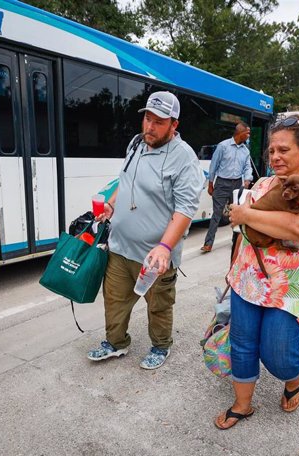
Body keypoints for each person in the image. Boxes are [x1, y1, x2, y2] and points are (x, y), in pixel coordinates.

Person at [214, 113, 299, 430]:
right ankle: (242, 405)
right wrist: (232, 273)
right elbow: (243, 232)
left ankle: (294, 380)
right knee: (241, 346)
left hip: (289, 290)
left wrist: (246, 214)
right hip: (247, 282)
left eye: (284, 150)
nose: (275, 157)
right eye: (271, 151)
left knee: (277, 355)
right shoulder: (263, 184)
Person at [87, 91, 204, 370]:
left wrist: (164, 248)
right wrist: (111, 206)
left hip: (155, 256)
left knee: (158, 305)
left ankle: (161, 345)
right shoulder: (137, 144)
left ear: (174, 124)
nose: (150, 127)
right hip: (119, 246)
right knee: (114, 300)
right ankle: (116, 342)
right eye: (147, 119)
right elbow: (125, 181)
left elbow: (185, 209)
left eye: (159, 122)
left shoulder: (184, 158)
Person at [201, 123, 252, 253]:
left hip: (237, 185)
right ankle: (208, 244)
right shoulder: (223, 146)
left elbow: (247, 167)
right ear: (240, 133)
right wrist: (211, 183)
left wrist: (247, 179)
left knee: (237, 214)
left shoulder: (245, 151)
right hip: (222, 184)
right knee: (216, 215)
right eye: (247, 133)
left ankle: (235, 242)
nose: (249, 135)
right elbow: (214, 165)